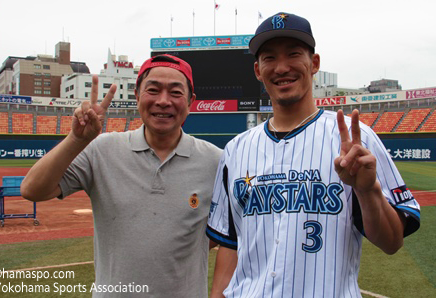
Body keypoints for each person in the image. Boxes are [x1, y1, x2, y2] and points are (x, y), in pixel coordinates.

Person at [206, 12, 421, 297]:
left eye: (293, 54)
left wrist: (368, 191)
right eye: (269, 58)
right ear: (258, 70)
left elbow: (392, 242)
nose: (282, 67)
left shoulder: (357, 141)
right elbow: (230, 244)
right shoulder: (235, 150)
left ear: (314, 63)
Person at [21, 54, 222, 297]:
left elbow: (231, 233)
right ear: (137, 96)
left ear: (191, 101)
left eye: (176, 93)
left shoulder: (216, 161)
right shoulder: (102, 149)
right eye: (153, 90)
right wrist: (77, 140)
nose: (163, 101)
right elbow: (32, 189)